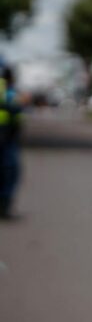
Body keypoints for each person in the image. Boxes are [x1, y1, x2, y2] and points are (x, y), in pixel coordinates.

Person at [0, 65, 25, 219]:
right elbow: (17, 115)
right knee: (9, 171)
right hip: (6, 137)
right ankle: (4, 205)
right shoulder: (8, 92)